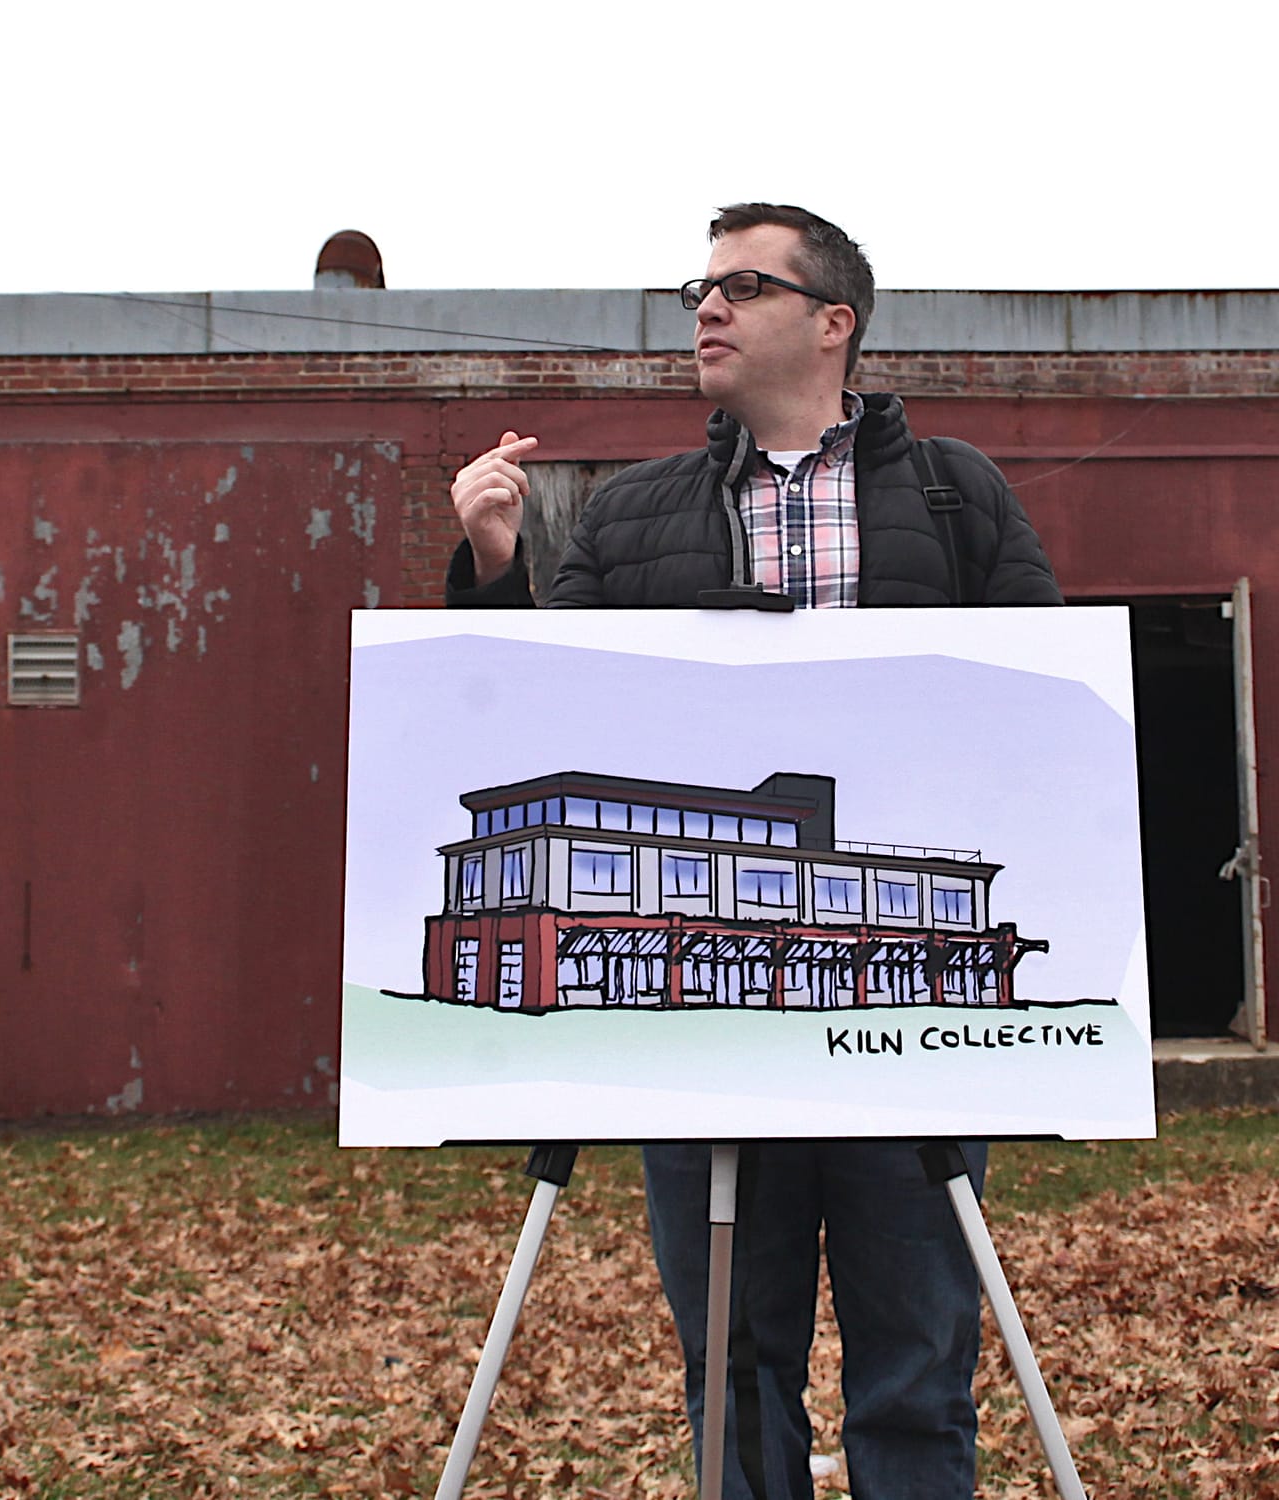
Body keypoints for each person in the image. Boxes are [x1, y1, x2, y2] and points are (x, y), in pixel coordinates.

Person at [443, 204, 1063, 1500]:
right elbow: (543, 711)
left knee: (919, 1368)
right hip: (702, 1048)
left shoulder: (954, 497)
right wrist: (495, 565)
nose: (708, 307)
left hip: (899, 1042)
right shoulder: (634, 515)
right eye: (701, 289)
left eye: (743, 285)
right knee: (731, 1365)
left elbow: (1041, 721)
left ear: (835, 322)